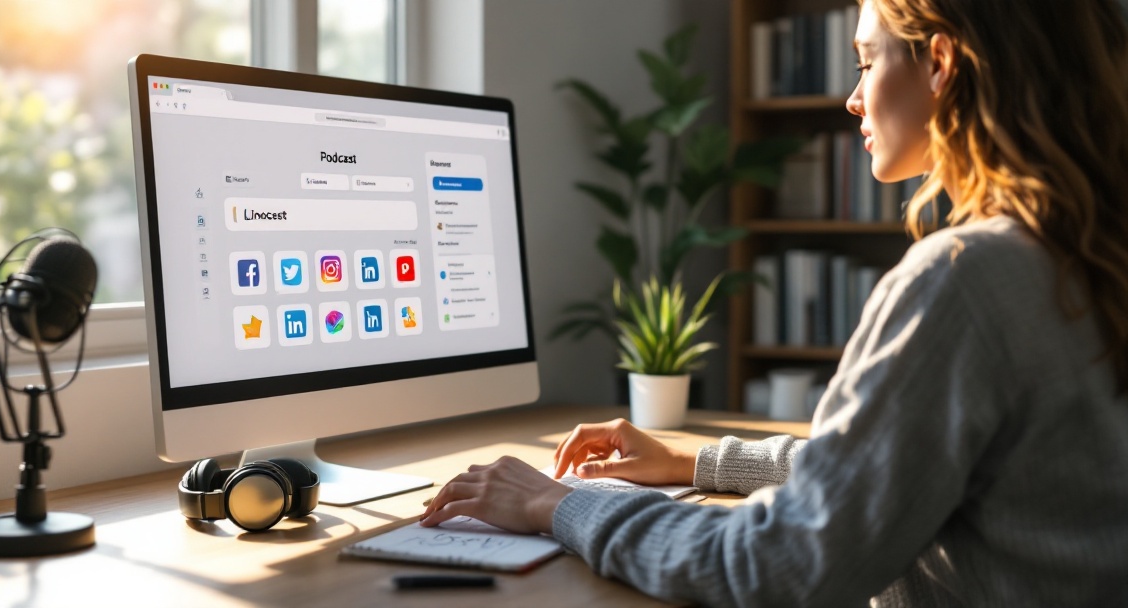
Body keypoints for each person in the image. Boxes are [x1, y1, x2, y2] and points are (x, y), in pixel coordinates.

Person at [421, 0, 1128, 604]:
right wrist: (692, 464)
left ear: (940, 62)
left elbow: (780, 566)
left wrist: (558, 504)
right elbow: (896, 466)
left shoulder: (969, 281)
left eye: (866, 61)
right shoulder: (1084, 254)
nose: (853, 98)